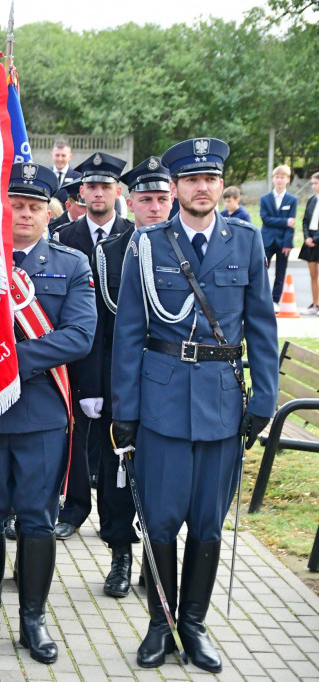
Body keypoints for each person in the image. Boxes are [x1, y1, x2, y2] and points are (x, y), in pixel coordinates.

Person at [111, 137, 279, 673]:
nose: (201, 187)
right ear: (176, 188)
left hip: (223, 404)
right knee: (159, 521)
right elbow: (129, 334)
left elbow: (261, 327)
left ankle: (194, 625)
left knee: (207, 523)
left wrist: (266, 399)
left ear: (218, 185)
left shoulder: (246, 242)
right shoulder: (147, 245)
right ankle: (160, 626)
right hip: (161, 404)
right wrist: (125, 411)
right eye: (191, 180)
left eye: (210, 178)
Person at [0, 162, 96, 665]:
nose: (25, 213)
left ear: (50, 210)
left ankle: (32, 619)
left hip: (40, 415)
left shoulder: (73, 264)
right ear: (3, 207)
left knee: (37, 520)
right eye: (16, 204)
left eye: (35, 206)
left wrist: (7, 363)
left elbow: (79, 336)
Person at [86, 156, 174, 600]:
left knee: (161, 477)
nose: (154, 208)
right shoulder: (112, 252)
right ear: (130, 201)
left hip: (170, 385)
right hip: (119, 384)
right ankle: (120, 555)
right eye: (146, 199)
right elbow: (101, 328)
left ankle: (154, 561)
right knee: (116, 476)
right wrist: (95, 390)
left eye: (161, 199)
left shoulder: (181, 250)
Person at [53, 152, 133, 542]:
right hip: (73, 362)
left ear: (117, 191)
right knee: (74, 439)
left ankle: (115, 530)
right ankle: (73, 509)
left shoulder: (136, 238)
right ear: (80, 191)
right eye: (91, 186)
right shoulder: (62, 237)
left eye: (106, 186)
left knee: (114, 446)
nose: (98, 193)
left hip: (119, 362)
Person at [260, 164, 298, 309]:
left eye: (283, 177)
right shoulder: (265, 198)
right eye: (277, 177)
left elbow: (292, 224)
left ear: (287, 179)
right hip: (267, 239)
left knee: (280, 272)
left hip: (283, 241)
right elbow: (265, 219)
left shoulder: (292, 199)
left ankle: (275, 300)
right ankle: (262, 298)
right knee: (262, 270)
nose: (280, 180)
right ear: (273, 179)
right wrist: (285, 221)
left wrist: (288, 242)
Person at [300, 172, 319, 315]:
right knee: (313, 275)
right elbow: (305, 220)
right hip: (310, 239)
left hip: (317, 239)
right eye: (312, 183)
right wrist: (307, 237)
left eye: (316, 183)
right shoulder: (312, 199)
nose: (313, 186)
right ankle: (315, 304)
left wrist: (315, 239)